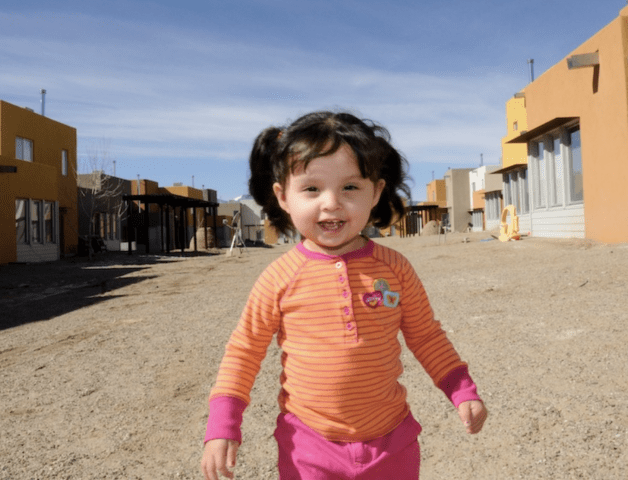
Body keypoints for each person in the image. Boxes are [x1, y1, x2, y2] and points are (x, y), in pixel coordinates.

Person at [201, 111, 488, 480]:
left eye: (350, 187)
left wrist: (462, 389)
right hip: (308, 447)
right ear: (283, 196)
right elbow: (244, 351)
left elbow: (426, 334)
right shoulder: (278, 278)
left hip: (392, 441)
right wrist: (223, 422)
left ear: (376, 192)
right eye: (311, 189)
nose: (332, 202)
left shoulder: (396, 269)